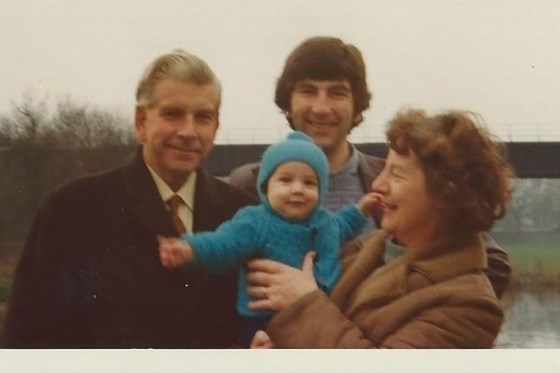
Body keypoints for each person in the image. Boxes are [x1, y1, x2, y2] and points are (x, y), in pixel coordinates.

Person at [1, 50, 256, 348]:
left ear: (215, 127)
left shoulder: (245, 214)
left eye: (203, 117)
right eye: (172, 114)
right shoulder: (71, 212)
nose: (189, 131)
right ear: (140, 122)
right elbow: (29, 340)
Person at [229, 36, 511, 297]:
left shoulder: (387, 181)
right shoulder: (246, 183)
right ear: (287, 104)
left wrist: (403, 304)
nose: (321, 107)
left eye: (337, 93)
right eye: (308, 91)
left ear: (359, 108)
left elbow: (493, 262)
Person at [247, 109, 515, 348]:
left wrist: (302, 305)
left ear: (446, 193)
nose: (378, 185)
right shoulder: (362, 249)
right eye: (384, 170)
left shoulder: (471, 307)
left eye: (396, 175)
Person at [158, 131, 379, 346]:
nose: (298, 189)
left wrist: (360, 211)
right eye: (285, 180)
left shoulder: (325, 221)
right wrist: (191, 249)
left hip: (320, 314)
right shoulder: (255, 222)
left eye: (309, 183)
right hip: (265, 321)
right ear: (266, 187)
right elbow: (224, 244)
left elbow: (343, 226)